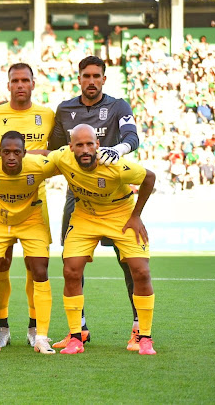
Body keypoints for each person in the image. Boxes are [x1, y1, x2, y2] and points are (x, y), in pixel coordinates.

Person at [48, 55, 141, 350]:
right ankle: (80, 329)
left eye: (96, 76)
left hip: (115, 197)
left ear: (104, 78)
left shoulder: (118, 106)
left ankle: (140, 327)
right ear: (79, 78)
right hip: (77, 196)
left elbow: (132, 136)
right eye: (86, 76)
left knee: (130, 265)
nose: (91, 80)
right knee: (71, 263)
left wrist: (119, 149)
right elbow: (54, 152)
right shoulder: (65, 109)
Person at [49, 124, 157, 355]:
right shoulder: (62, 158)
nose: (85, 149)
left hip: (121, 215)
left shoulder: (116, 165)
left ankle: (145, 337)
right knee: (71, 270)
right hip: (85, 215)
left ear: (98, 145)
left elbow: (149, 177)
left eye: (90, 144)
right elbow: (40, 158)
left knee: (141, 271)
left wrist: (136, 215)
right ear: (71, 147)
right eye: (79, 145)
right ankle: (76, 336)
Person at [0, 63, 55, 348]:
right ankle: (1, 326)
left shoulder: (47, 115)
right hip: (0, 199)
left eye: (25, 80)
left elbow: (57, 153)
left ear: (33, 83)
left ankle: (36, 328)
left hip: (36, 201)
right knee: (0, 264)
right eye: (15, 80)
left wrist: (28, 157)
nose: (20, 85)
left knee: (35, 266)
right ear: (8, 84)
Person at [0, 131, 58, 354]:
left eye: (17, 152)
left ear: (25, 153)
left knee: (39, 269)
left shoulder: (39, 165)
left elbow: (65, 162)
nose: (11, 157)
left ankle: (41, 336)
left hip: (31, 221)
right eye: (6, 152)